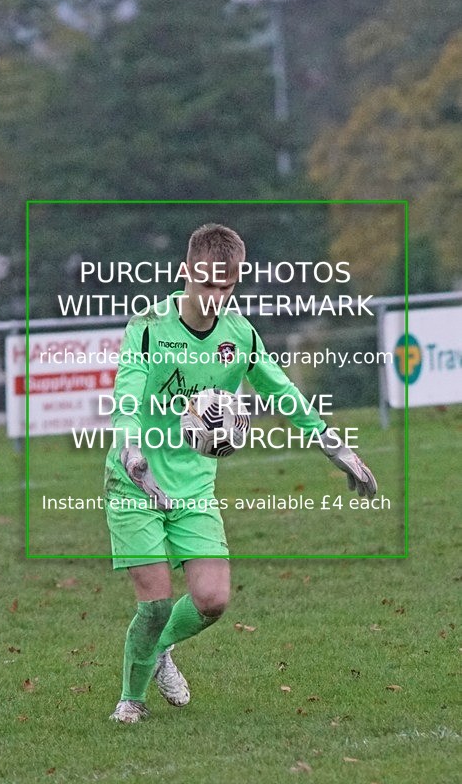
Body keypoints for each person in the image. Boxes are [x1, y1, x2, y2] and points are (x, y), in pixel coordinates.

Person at [104, 223, 377, 724]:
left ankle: (158, 650)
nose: (215, 297)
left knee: (212, 600)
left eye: (225, 287)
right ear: (185, 272)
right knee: (156, 604)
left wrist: (331, 443)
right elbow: (127, 391)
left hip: (193, 486)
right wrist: (130, 446)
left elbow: (279, 390)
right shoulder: (148, 327)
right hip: (134, 479)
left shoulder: (238, 334)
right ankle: (132, 700)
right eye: (206, 284)